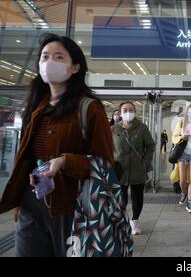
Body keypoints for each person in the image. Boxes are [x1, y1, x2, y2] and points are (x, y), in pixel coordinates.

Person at [0, 33, 114, 257]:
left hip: (73, 207)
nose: (48, 62)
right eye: (44, 56)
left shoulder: (89, 108)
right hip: (32, 203)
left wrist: (64, 162)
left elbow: (104, 163)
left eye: (58, 57)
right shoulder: (35, 106)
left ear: (74, 68)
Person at [112, 101, 155, 235]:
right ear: (120, 113)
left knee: (137, 197)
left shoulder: (142, 128)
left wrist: (146, 162)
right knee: (121, 198)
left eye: (131, 110)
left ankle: (135, 220)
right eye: (125, 110)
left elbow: (150, 146)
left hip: (138, 168)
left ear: (135, 112)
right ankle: (123, 221)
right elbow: (108, 147)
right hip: (119, 169)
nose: (128, 112)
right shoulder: (114, 129)